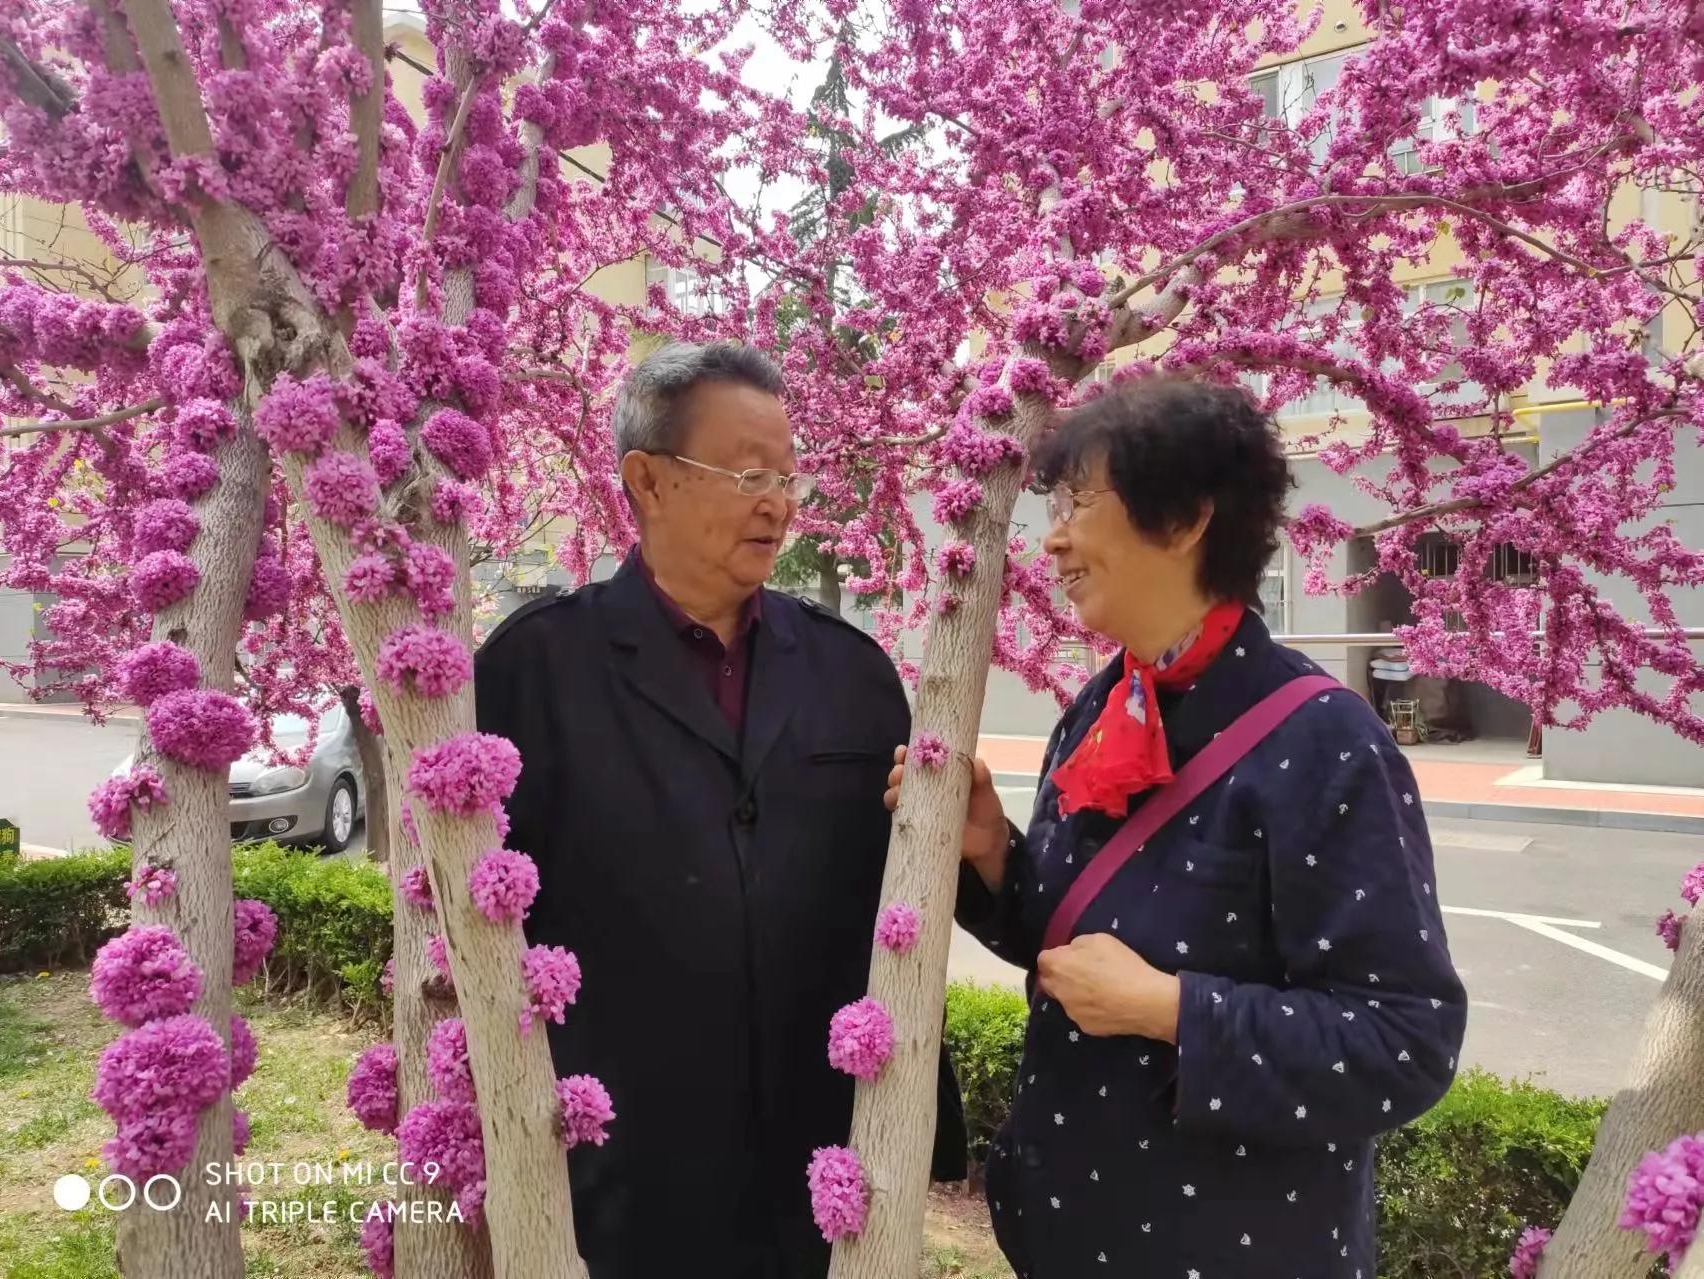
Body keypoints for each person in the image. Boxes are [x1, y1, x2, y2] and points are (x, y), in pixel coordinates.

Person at [887, 376, 1467, 1277]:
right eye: (1053, 503)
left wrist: (1174, 1010)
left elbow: (1406, 1041)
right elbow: (1070, 947)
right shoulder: (1101, 709)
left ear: (1188, 517)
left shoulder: (1327, 741)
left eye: (1081, 500)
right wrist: (993, 852)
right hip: (1063, 1240)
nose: (1055, 536)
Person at [474, 340, 965, 1279]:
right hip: (622, 1169)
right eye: (745, 473)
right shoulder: (532, 673)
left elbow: (901, 901)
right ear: (647, 481)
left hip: (819, 1169)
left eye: (786, 475)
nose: (776, 502)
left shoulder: (853, 675)